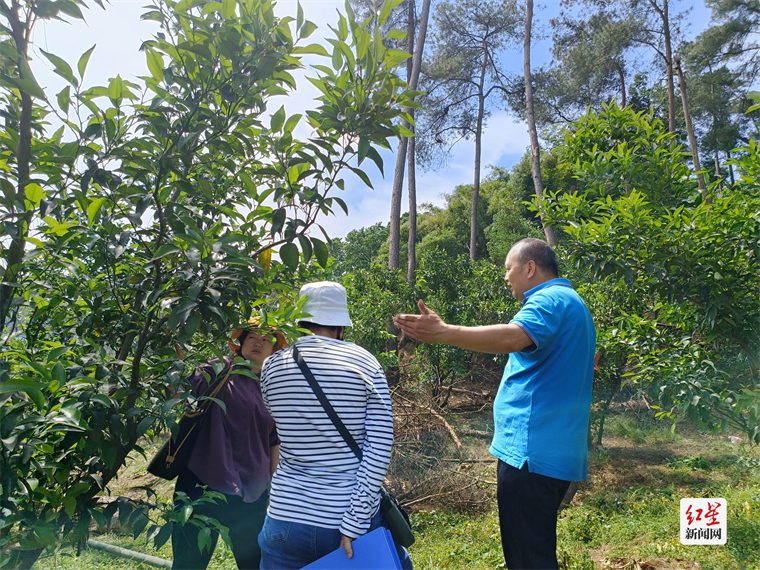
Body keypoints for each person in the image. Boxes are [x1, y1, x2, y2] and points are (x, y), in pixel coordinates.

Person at [393, 238, 596, 570]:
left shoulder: (549, 300)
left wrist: (445, 332)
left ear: (530, 268)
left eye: (508, 269)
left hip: (531, 456)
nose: (506, 278)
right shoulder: (572, 302)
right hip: (554, 454)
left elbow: (512, 336)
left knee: (528, 559)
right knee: (534, 551)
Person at [258, 281, 412, 570]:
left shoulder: (272, 366)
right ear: (341, 325)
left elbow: (278, 422)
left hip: (284, 518)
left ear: (299, 319)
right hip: (345, 521)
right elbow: (379, 448)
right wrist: (354, 521)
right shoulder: (363, 362)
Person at [171, 317, 287, 570]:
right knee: (187, 563)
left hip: (251, 492)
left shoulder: (274, 385)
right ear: (241, 342)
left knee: (254, 564)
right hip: (201, 481)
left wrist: (274, 490)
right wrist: (172, 367)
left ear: (273, 348)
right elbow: (181, 395)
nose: (259, 342)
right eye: (253, 336)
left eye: (266, 339)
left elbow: (274, 441)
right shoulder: (219, 370)